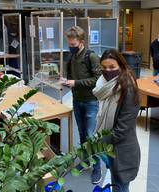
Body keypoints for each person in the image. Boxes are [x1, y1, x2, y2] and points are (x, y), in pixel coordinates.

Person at [93, 49, 140, 192]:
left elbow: (122, 130)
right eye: (104, 67)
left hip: (123, 152)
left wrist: (97, 142)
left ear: (121, 66)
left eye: (112, 67)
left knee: (120, 188)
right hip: (111, 148)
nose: (108, 71)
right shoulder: (105, 84)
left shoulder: (128, 88)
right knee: (116, 186)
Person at [64, 26, 102, 184]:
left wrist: (76, 83)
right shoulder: (72, 58)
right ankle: (86, 161)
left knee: (91, 136)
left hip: (90, 102)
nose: (70, 47)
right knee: (82, 134)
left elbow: (98, 79)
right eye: (69, 44)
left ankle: (97, 168)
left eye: (73, 45)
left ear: (82, 42)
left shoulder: (91, 56)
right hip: (77, 100)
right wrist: (66, 82)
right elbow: (72, 78)